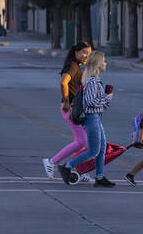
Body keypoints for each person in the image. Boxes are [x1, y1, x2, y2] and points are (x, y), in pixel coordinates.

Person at [59, 51, 116, 188]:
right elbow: (90, 102)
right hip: (92, 118)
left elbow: (101, 104)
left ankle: (100, 177)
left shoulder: (94, 80)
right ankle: (67, 166)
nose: (105, 63)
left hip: (97, 117)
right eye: (103, 61)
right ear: (97, 64)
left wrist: (106, 99)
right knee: (94, 150)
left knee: (102, 148)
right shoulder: (91, 81)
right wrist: (107, 98)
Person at [42, 40, 91, 179]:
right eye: (84, 53)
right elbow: (63, 82)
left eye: (89, 54)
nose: (86, 56)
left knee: (82, 143)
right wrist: (66, 101)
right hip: (71, 108)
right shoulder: (72, 66)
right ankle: (52, 162)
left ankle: (78, 171)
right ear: (76, 52)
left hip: (77, 108)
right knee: (81, 141)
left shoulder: (77, 66)